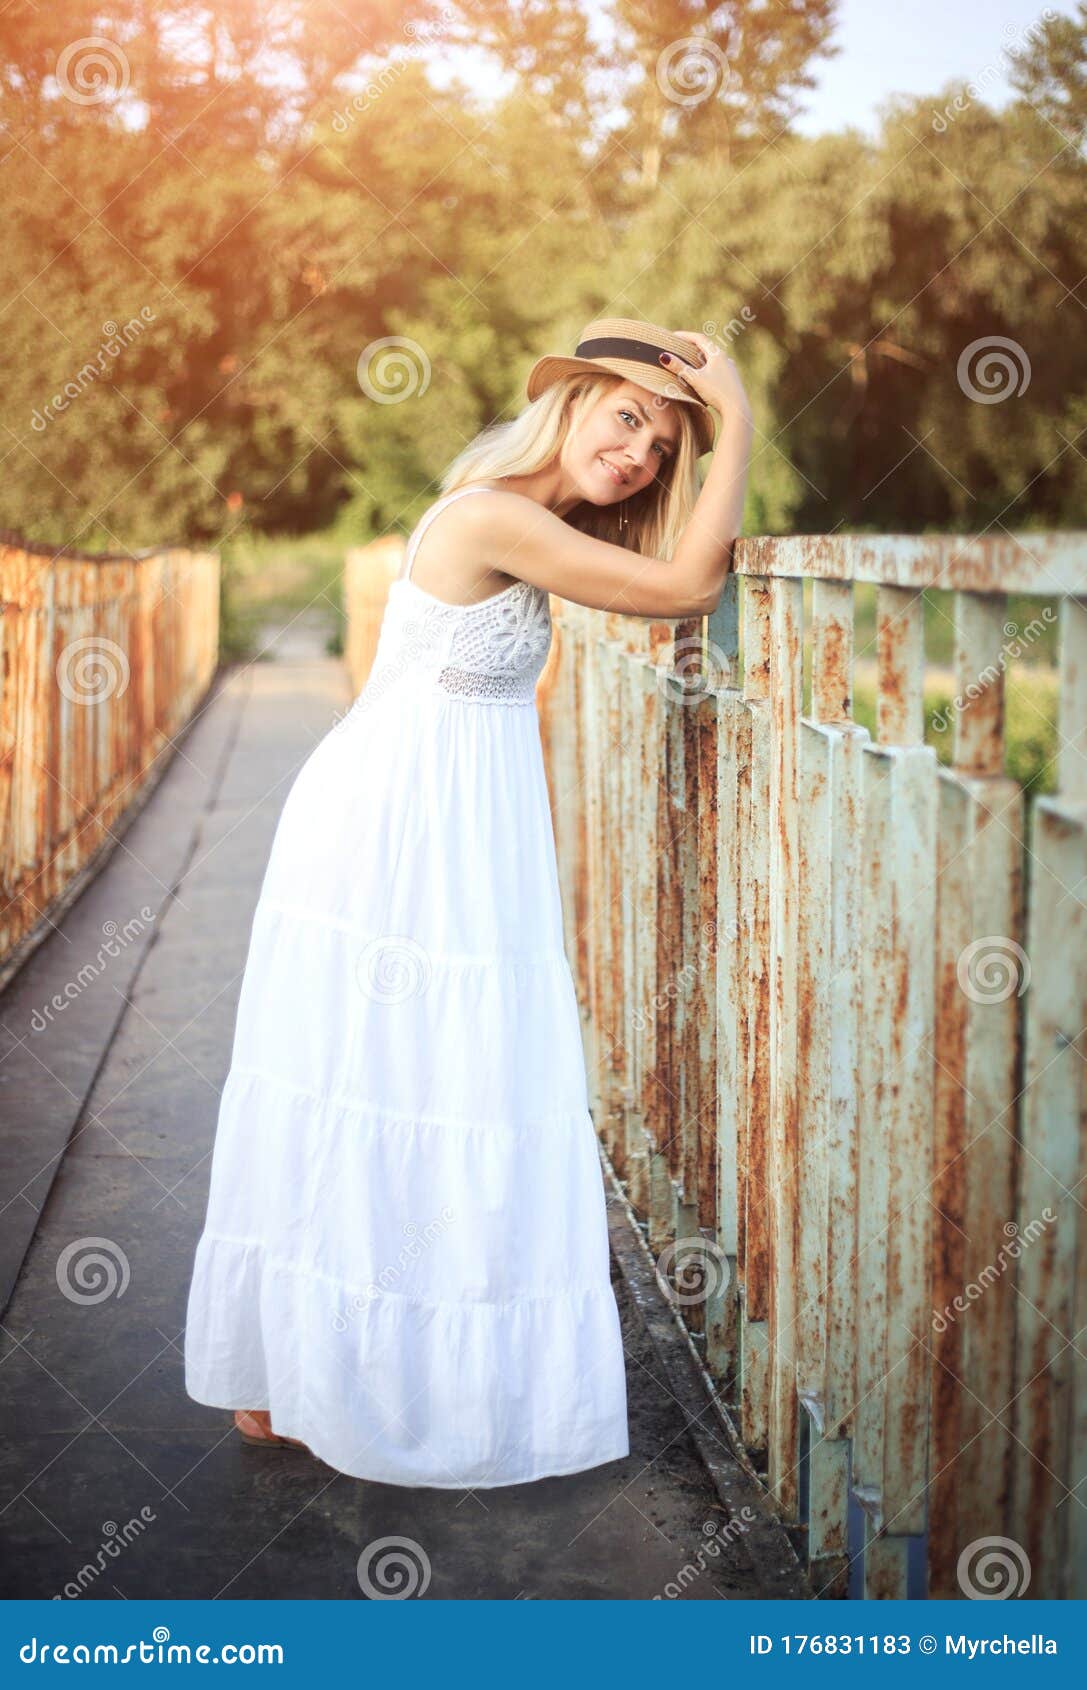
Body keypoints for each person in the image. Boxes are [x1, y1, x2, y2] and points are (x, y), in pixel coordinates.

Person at [183, 315, 753, 1487]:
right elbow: (690, 586)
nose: (642, 453)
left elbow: (668, 570)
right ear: (575, 403)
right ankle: (313, 1379)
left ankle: (312, 1376)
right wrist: (737, 419)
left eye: (665, 444)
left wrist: (700, 447)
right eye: (628, 417)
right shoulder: (495, 516)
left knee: (406, 1081)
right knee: (383, 1082)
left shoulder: (528, 518)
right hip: (394, 835)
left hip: (445, 827)